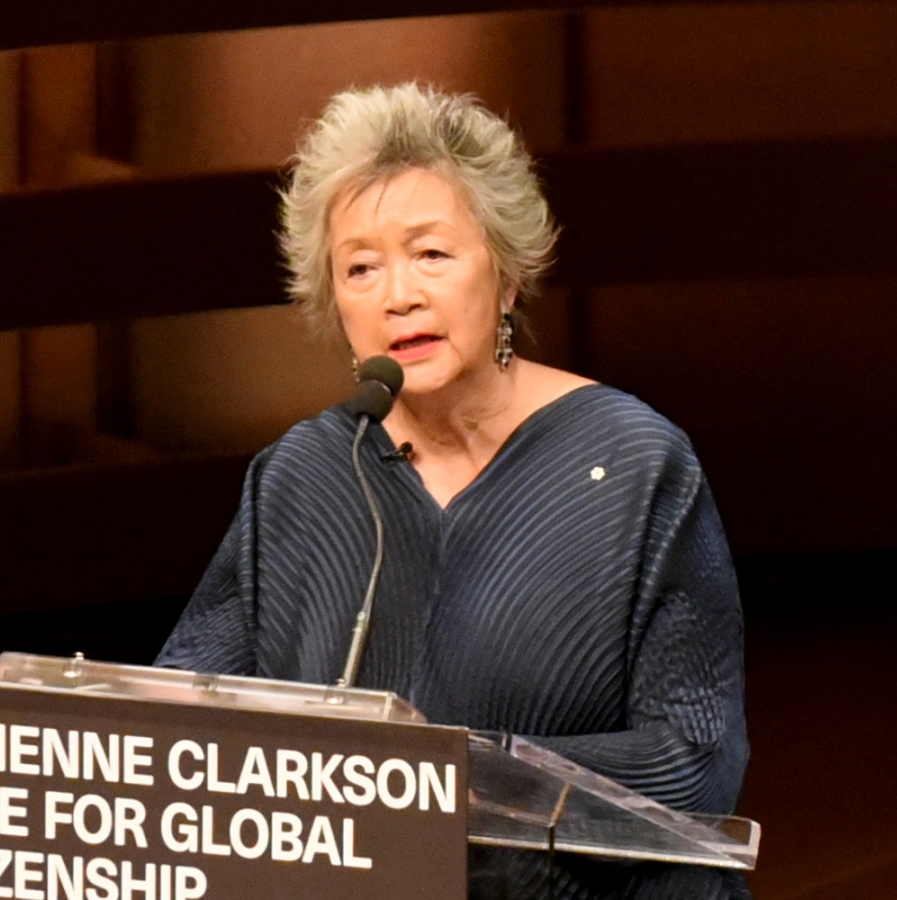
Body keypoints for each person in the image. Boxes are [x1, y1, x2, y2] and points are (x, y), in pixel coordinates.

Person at [156, 83, 749, 898]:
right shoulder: (305, 475)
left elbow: (695, 761)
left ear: (504, 276)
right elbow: (172, 734)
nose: (399, 294)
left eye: (431, 253)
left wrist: (455, 777)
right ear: (338, 306)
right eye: (361, 267)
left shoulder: (633, 465)